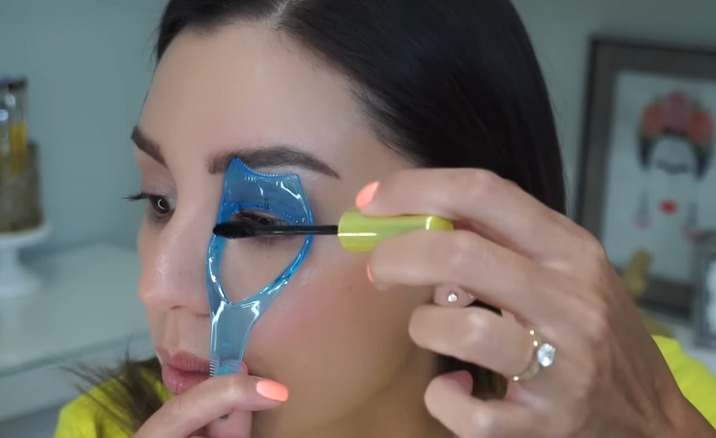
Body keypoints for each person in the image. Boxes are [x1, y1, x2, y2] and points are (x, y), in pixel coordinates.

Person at [55, 0, 716, 436]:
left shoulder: (637, 405)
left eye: (257, 222)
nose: (158, 285)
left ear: (466, 239)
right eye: (160, 201)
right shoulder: (106, 426)